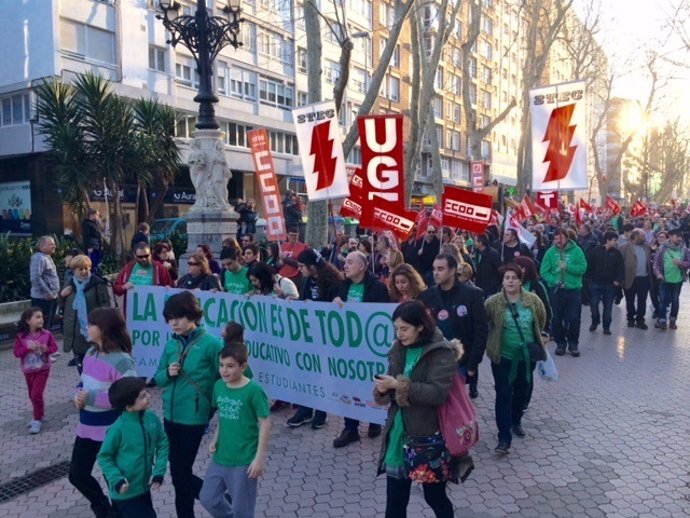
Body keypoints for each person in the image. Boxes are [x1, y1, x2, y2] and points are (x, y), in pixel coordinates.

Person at [374, 300, 458, 518]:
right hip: (397, 434)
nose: (399, 334)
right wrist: (383, 389)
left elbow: (437, 393)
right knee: (395, 503)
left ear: (420, 326)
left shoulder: (441, 351)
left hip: (427, 437)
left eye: (404, 329)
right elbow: (393, 388)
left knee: (435, 497)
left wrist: (398, 385)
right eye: (396, 329)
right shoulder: (398, 349)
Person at [153, 291, 224, 518]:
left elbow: (229, 379)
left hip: (193, 418)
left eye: (179, 317)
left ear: (193, 315)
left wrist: (211, 408)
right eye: (169, 318)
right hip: (170, 415)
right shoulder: (170, 345)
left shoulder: (212, 344)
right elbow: (158, 378)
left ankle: (223, 502)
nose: (173, 323)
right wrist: (168, 372)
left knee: (180, 473)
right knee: (179, 473)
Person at [68, 307, 137, 518]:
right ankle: (104, 511)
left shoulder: (123, 361)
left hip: (111, 432)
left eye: (92, 324)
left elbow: (127, 398)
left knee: (114, 482)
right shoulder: (90, 353)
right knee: (77, 474)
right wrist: (77, 395)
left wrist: (89, 398)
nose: (87, 327)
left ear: (105, 328)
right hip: (86, 428)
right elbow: (83, 382)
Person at [199, 342, 271, 518]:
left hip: (244, 460)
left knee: (242, 510)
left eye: (230, 366)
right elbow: (223, 415)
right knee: (208, 498)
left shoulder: (253, 390)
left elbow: (265, 424)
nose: (224, 370)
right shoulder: (219, 386)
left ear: (243, 366)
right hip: (221, 456)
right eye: (222, 365)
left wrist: (259, 459)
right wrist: (215, 438)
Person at [484, 264, 546, 454]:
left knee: (521, 391)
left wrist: (538, 338)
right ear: (502, 281)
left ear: (521, 281)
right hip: (502, 356)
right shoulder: (493, 302)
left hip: (526, 357)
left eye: (514, 278)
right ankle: (504, 437)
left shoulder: (532, 300)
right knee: (503, 394)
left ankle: (516, 420)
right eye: (507, 278)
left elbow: (541, 319)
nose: (510, 281)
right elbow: (484, 322)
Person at [332, 251, 389, 447]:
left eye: (350, 262)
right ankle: (351, 428)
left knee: (372, 383)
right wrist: (335, 305)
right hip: (348, 346)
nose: (345, 266)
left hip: (369, 348)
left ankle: (374, 420)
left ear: (362, 266)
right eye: (345, 262)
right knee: (349, 385)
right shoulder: (343, 285)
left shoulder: (378, 288)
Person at [286, 248, 342, 429]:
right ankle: (305, 409)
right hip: (309, 334)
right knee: (306, 372)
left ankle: (321, 411)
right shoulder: (307, 279)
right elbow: (304, 301)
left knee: (321, 375)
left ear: (312, 266)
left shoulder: (333, 281)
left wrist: (317, 306)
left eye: (302, 266)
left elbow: (335, 309)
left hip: (325, 336)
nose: (300, 269)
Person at [97, 378, 169, 518]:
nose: (149, 396)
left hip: (144, 489)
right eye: (143, 396)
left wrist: (159, 471)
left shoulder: (151, 418)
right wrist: (117, 478)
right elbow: (104, 456)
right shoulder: (118, 428)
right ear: (128, 406)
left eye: (147, 392)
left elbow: (162, 442)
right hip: (124, 494)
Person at [419, 254, 488, 399]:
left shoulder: (472, 295)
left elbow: (480, 331)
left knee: (455, 409)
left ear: (452, 271)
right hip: (433, 362)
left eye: (440, 269)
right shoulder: (426, 296)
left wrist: (472, 364)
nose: (436, 272)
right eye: (434, 269)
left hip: (460, 363)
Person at [61, 255, 112, 374]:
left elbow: (106, 306)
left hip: (92, 330)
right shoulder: (70, 283)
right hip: (75, 330)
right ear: (74, 270)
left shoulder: (97, 283)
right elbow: (62, 304)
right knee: (81, 366)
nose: (84, 272)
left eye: (86, 268)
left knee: (95, 365)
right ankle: (85, 387)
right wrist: (62, 295)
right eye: (80, 269)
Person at [540, 228, 587, 357]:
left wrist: (567, 267)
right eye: (555, 239)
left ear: (566, 238)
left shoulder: (577, 251)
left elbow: (583, 268)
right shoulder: (550, 252)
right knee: (556, 319)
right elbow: (544, 272)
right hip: (556, 291)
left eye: (560, 238)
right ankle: (560, 343)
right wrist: (554, 281)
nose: (557, 241)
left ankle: (573, 343)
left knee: (573, 318)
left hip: (573, 290)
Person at [14, 307, 58, 434]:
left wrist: (46, 349)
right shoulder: (21, 337)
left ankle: (37, 419)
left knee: (36, 395)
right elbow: (16, 353)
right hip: (28, 371)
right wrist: (28, 348)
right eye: (37, 317)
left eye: (42, 317)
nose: (41, 319)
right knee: (32, 395)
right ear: (28, 320)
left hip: (43, 369)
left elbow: (54, 347)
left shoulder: (47, 334)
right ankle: (40, 414)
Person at [113, 243, 173, 312]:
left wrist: (168, 290)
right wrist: (123, 287)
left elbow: (170, 287)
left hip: (154, 312)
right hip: (133, 313)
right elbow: (117, 289)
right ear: (135, 256)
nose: (144, 259)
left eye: (146, 256)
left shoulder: (159, 268)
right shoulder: (129, 267)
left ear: (151, 254)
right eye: (140, 257)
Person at [586, 231, 624, 335]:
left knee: (608, 307)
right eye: (614, 240)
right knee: (594, 305)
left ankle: (606, 326)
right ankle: (595, 320)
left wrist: (618, 279)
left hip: (610, 285)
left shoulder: (616, 253)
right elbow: (589, 265)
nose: (616, 242)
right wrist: (589, 279)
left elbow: (620, 268)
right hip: (595, 283)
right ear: (608, 240)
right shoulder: (596, 251)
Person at [653, 228, 690, 330]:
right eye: (677, 236)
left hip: (677, 281)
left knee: (675, 301)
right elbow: (656, 264)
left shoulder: (684, 249)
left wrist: (681, 263)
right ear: (671, 236)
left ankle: (673, 320)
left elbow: (689, 262)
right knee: (663, 301)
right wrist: (658, 274)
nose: (679, 238)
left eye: (681, 237)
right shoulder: (663, 248)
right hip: (664, 280)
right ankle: (662, 321)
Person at [619, 229, 652, 329]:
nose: (644, 238)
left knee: (642, 300)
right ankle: (630, 318)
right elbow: (620, 264)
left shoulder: (646, 246)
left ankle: (640, 319)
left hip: (644, 278)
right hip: (630, 278)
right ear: (635, 236)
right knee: (630, 300)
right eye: (642, 236)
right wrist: (620, 278)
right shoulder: (624, 247)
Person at [29, 235, 60, 330]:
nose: (54, 246)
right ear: (42, 247)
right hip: (43, 299)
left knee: (47, 328)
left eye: (54, 244)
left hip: (49, 298)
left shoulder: (46, 257)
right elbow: (35, 278)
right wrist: (47, 293)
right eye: (51, 244)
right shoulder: (39, 258)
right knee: (43, 328)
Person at [649, 231, 669, 318]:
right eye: (659, 237)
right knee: (653, 294)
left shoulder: (668, 248)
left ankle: (662, 311)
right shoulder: (652, 247)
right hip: (652, 274)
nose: (660, 238)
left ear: (667, 238)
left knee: (662, 295)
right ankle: (657, 309)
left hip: (662, 274)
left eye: (662, 237)